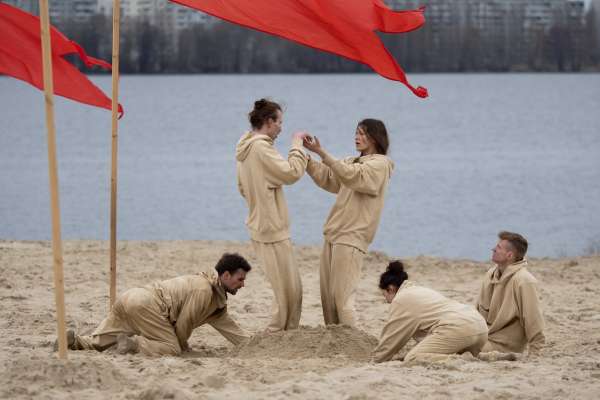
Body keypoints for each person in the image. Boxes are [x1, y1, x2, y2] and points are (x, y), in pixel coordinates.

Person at [59, 253, 252, 356]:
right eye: (240, 279)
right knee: (171, 348)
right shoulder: (203, 290)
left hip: (131, 297)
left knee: (99, 341)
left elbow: (233, 331)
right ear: (226, 275)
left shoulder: (216, 301)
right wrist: (181, 347)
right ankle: (133, 344)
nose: (243, 284)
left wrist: (257, 344)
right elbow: (184, 324)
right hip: (147, 305)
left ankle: (74, 341)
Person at [302, 119, 393, 326]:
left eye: (362, 134)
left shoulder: (380, 165)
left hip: (352, 236)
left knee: (342, 299)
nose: (357, 137)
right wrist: (306, 160)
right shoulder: (352, 162)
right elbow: (330, 178)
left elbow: (354, 177)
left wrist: (322, 153)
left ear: (375, 137)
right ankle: (337, 343)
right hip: (333, 234)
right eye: (356, 133)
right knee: (329, 298)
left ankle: (354, 345)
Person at [235, 98, 308, 331]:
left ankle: (283, 333)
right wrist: (297, 146)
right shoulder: (261, 148)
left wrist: (262, 197)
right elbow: (292, 173)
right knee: (289, 290)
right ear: (268, 121)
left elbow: (242, 187)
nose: (281, 127)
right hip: (271, 227)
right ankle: (278, 333)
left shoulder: (244, 148)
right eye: (279, 122)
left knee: (286, 288)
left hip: (261, 223)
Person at [372, 261, 488, 363]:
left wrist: (376, 359)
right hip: (480, 326)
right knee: (440, 353)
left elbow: (391, 340)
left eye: (385, 295)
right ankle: (489, 357)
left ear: (391, 288)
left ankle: (464, 360)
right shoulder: (420, 290)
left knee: (413, 358)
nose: (387, 301)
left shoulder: (401, 299)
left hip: (460, 328)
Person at [476, 231, 545, 355]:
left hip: (505, 345)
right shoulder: (491, 274)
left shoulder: (524, 281)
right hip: (484, 336)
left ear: (509, 255)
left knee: (459, 350)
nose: (493, 249)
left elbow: (533, 318)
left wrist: (536, 351)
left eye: (498, 248)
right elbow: (479, 310)